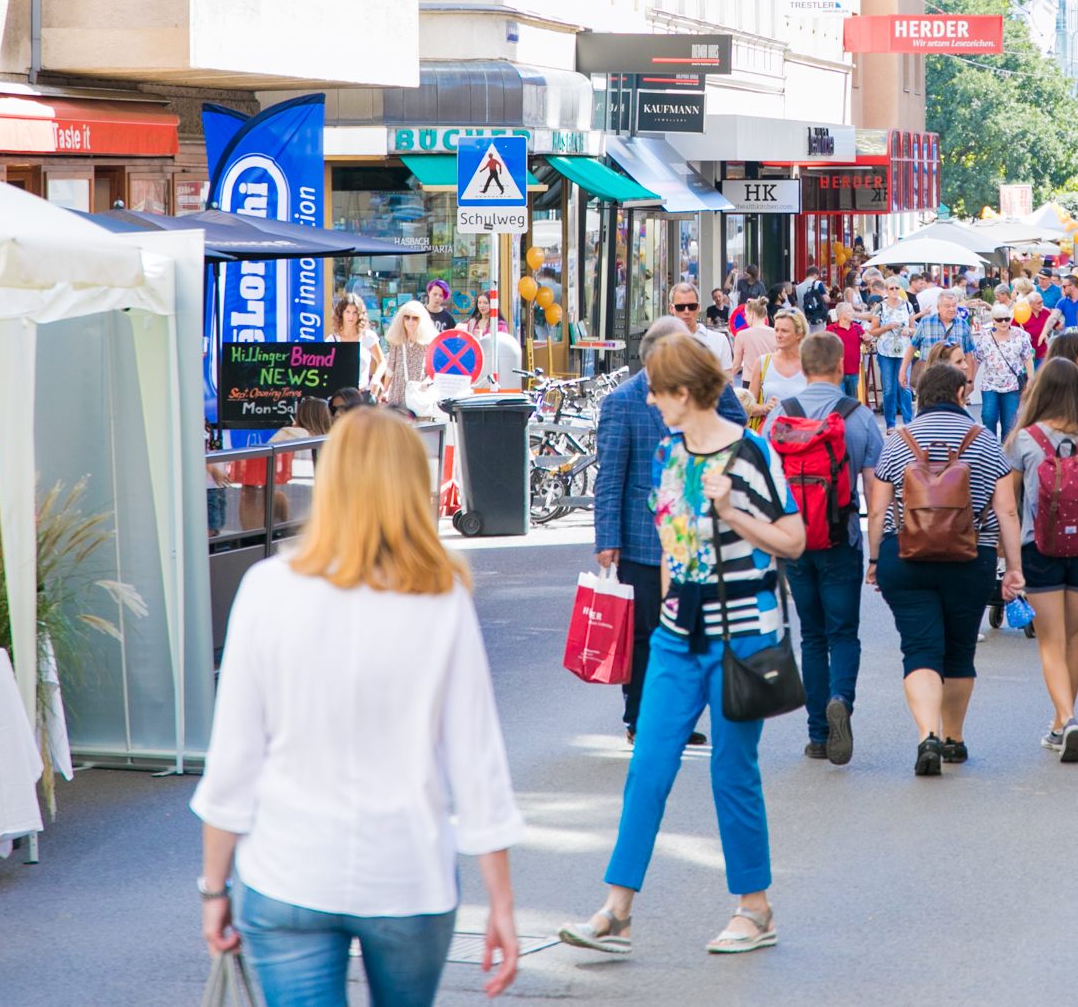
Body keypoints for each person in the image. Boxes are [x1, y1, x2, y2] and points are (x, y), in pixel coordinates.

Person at [193, 410, 523, 1006]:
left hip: (288, 869)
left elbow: (236, 755)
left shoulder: (268, 588)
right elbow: (477, 759)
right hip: (407, 873)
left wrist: (214, 886)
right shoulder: (439, 596)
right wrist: (500, 900)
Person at [560, 336, 804, 959]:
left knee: (732, 770)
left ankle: (755, 908)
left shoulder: (752, 452)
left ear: (685, 392)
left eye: (657, 388)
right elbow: (673, 544)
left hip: (743, 633)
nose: (648, 397)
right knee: (648, 766)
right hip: (678, 633)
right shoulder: (670, 452)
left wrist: (734, 512)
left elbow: (794, 539)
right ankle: (617, 909)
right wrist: (669, 604)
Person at [593, 314, 749, 746]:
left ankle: (676, 716)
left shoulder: (702, 390)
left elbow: (738, 425)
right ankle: (640, 718)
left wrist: (710, 382)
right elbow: (610, 476)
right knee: (646, 634)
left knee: (690, 629)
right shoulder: (624, 401)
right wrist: (608, 538)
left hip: (699, 534)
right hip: (644, 539)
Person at [867, 361, 1023, 776]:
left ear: (919, 396)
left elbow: (879, 508)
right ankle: (953, 738)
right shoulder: (986, 441)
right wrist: (1014, 568)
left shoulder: (899, 440)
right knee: (959, 650)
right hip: (971, 559)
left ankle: (926, 734)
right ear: (959, 395)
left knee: (919, 649)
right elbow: (1007, 510)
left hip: (905, 557)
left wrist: (873, 559)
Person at [762, 331, 883, 765]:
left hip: (794, 544)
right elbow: (874, 489)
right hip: (841, 538)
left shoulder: (779, 417)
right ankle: (840, 701)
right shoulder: (860, 417)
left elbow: (764, 487)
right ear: (838, 367)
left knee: (811, 636)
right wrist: (875, 553)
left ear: (804, 365)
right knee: (843, 633)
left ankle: (817, 735)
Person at [1005, 359, 1078, 762]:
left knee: (1050, 641)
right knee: (1071, 638)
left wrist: (1008, 556)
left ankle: (1066, 718)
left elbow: (1010, 507)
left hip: (1040, 549)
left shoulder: (1024, 440)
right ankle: (1059, 722)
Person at [973, 303, 1035, 441]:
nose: (1004, 322)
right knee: (988, 417)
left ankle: (1007, 455)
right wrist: (970, 381)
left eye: (1007, 319)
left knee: (1009, 424)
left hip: (1012, 386)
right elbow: (976, 360)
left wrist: (1031, 379)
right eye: (999, 319)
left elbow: (1027, 358)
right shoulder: (985, 337)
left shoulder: (1021, 335)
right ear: (993, 320)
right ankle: (990, 448)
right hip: (990, 385)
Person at [378, 300, 438, 414]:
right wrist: (385, 390)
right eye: (407, 317)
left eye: (415, 318)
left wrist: (427, 383)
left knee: (421, 428)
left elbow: (434, 370)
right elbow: (391, 368)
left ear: (421, 320)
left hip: (419, 392)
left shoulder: (428, 342)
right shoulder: (397, 340)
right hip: (398, 392)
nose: (410, 321)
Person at [747, 311, 810, 419]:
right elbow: (748, 407)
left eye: (784, 331)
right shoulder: (763, 362)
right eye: (776, 330)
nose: (778, 335)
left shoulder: (811, 364)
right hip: (769, 432)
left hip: (803, 432)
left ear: (799, 334)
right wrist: (764, 408)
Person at [872, 277, 916, 428]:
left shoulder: (908, 306)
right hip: (886, 352)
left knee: (904, 387)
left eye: (897, 288)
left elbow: (914, 329)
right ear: (886, 290)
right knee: (889, 389)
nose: (895, 291)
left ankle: (908, 424)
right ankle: (890, 424)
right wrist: (887, 327)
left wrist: (908, 330)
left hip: (904, 351)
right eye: (892, 288)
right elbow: (873, 331)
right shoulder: (880, 307)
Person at [911, 289, 974, 391]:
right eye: (947, 306)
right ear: (938, 308)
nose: (951, 309)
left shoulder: (963, 325)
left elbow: (968, 354)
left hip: (955, 380)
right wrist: (903, 371)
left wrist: (969, 381)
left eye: (954, 305)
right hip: (929, 379)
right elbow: (912, 347)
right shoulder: (925, 322)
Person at [330, 292, 384, 394]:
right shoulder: (332, 340)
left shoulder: (367, 337)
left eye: (355, 312)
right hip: (340, 395)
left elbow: (382, 362)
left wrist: (376, 378)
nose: (351, 316)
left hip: (362, 394)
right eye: (347, 312)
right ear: (341, 313)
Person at [671, 285, 733, 372]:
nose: (686, 311)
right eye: (680, 307)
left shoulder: (720, 340)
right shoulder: (660, 342)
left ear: (698, 308)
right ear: (672, 309)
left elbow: (727, 380)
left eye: (692, 306)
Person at [732, 297, 777, 392]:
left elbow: (736, 365)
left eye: (746, 314)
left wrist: (724, 379)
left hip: (750, 381)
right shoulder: (775, 333)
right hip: (771, 380)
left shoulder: (741, 335)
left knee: (751, 406)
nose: (744, 317)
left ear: (752, 314)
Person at [829, 301, 867, 401]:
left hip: (853, 371)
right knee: (839, 401)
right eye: (850, 311)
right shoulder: (831, 330)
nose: (853, 313)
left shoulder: (857, 328)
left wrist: (868, 339)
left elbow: (866, 343)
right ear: (842, 315)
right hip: (836, 372)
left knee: (852, 402)